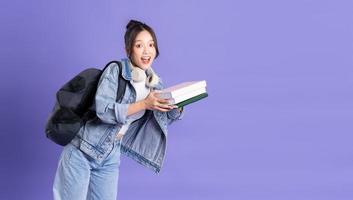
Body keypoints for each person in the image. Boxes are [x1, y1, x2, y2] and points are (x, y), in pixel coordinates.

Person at [53, 19, 184, 200]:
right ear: (128, 50)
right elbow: (103, 110)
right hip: (82, 149)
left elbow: (163, 117)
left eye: (151, 45)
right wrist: (144, 104)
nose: (147, 51)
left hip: (110, 153)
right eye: (139, 45)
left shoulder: (154, 83)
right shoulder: (116, 71)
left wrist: (178, 106)